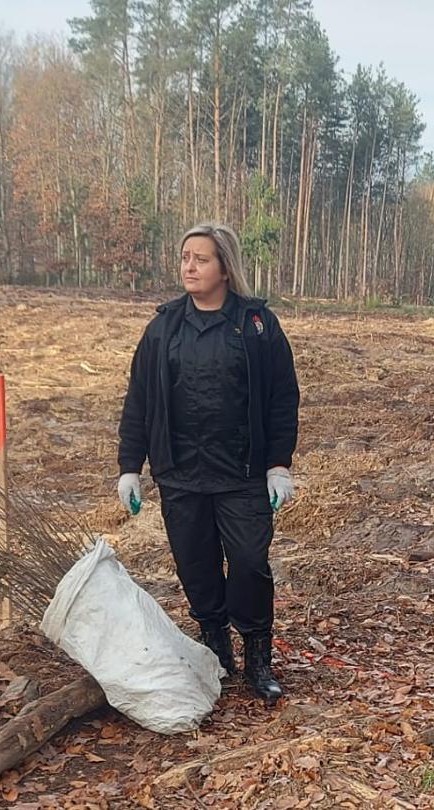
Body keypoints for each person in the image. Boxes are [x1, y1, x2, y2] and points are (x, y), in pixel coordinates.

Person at [115, 223, 300, 706]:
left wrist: (279, 465)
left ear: (225, 268)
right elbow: (140, 399)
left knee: (248, 564)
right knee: (196, 568)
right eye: (184, 257)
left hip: (242, 475)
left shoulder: (257, 326)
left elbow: (282, 398)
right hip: (181, 475)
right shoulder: (164, 328)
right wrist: (129, 466)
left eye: (201, 258)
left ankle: (258, 654)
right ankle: (217, 649)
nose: (189, 267)